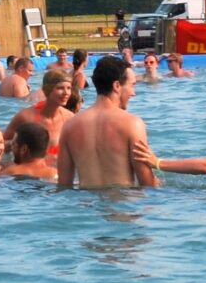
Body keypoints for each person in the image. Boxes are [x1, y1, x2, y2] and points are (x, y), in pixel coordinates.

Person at [56, 56, 159, 189]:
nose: (133, 93)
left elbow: (63, 186)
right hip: (122, 205)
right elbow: (147, 184)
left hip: (84, 206)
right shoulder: (132, 124)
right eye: (132, 85)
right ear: (116, 86)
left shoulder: (69, 126)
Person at [8, 68, 75, 153]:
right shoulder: (26, 117)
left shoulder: (69, 118)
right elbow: (2, 143)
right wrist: (17, 144)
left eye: (69, 88)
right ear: (47, 89)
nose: (66, 92)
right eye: (60, 88)